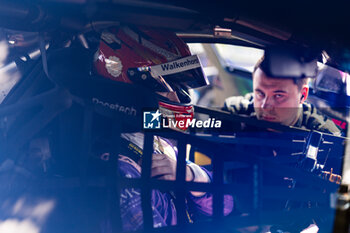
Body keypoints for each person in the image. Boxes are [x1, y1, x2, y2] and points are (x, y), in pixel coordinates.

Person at [91, 26, 233, 231]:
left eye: (179, 88)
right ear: (128, 90)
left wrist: (190, 174)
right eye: (164, 87)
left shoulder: (160, 144)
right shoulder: (122, 169)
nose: (176, 98)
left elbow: (224, 206)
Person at [223, 56, 341, 136]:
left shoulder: (326, 136)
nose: (265, 106)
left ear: (302, 95)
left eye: (278, 95)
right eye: (260, 93)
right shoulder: (233, 113)